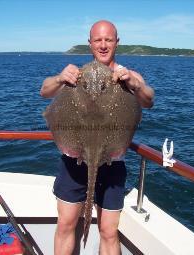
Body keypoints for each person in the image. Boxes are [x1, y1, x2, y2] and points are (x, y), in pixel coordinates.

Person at [40, 20, 154, 255]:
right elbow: (44, 91)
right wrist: (60, 78)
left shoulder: (126, 75)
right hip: (74, 161)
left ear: (117, 42)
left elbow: (148, 100)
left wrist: (135, 84)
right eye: (98, 40)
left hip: (112, 162)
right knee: (66, 224)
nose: (103, 45)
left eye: (108, 40)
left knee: (109, 232)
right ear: (90, 43)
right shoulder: (75, 75)